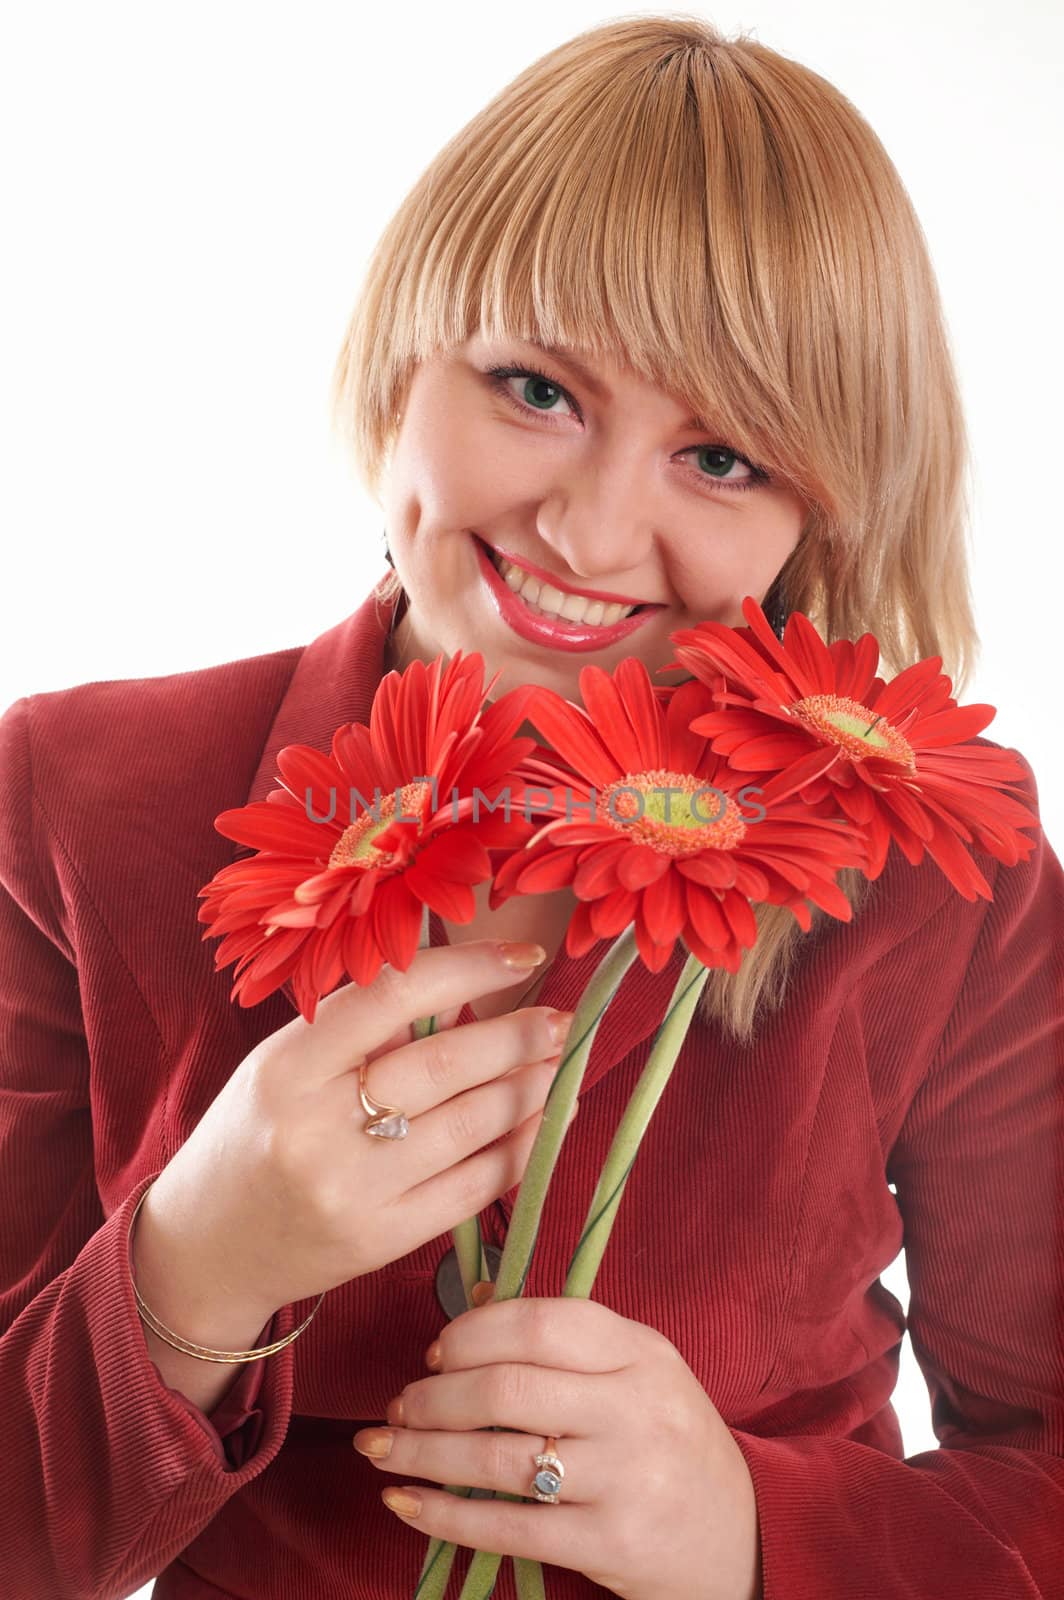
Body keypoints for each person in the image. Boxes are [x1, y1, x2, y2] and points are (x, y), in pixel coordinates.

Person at [1, 15, 1061, 1600]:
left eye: (719, 455)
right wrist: (187, 1279)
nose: (589, 528)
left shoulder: (938, 874)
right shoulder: (74, 801)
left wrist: (758, 1535)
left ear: (819, 518)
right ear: (401, 358)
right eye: (534, 389)